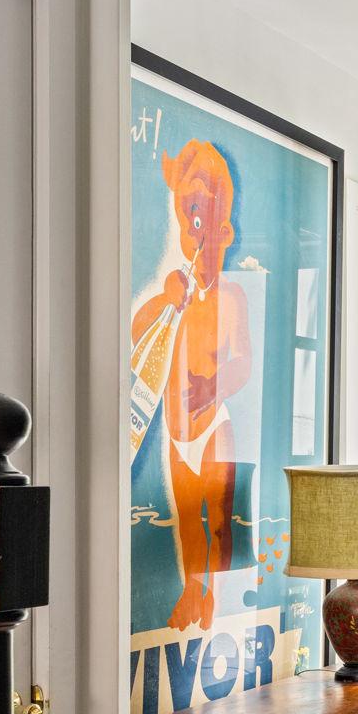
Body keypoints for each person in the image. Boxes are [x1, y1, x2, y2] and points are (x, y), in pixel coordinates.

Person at [130, 140, 252, 631]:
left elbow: (242, 361)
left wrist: (214, 388)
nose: (199, 240)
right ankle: (191, 593)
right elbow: (137, 334)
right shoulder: (173, 295)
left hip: (212, 424)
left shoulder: (233, 296)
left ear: (226, 231)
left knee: (219, 519)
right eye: (190, 225)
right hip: (178, 433)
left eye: (207, 226)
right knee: (186, 520)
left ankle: (215, 597)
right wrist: (164, 300)